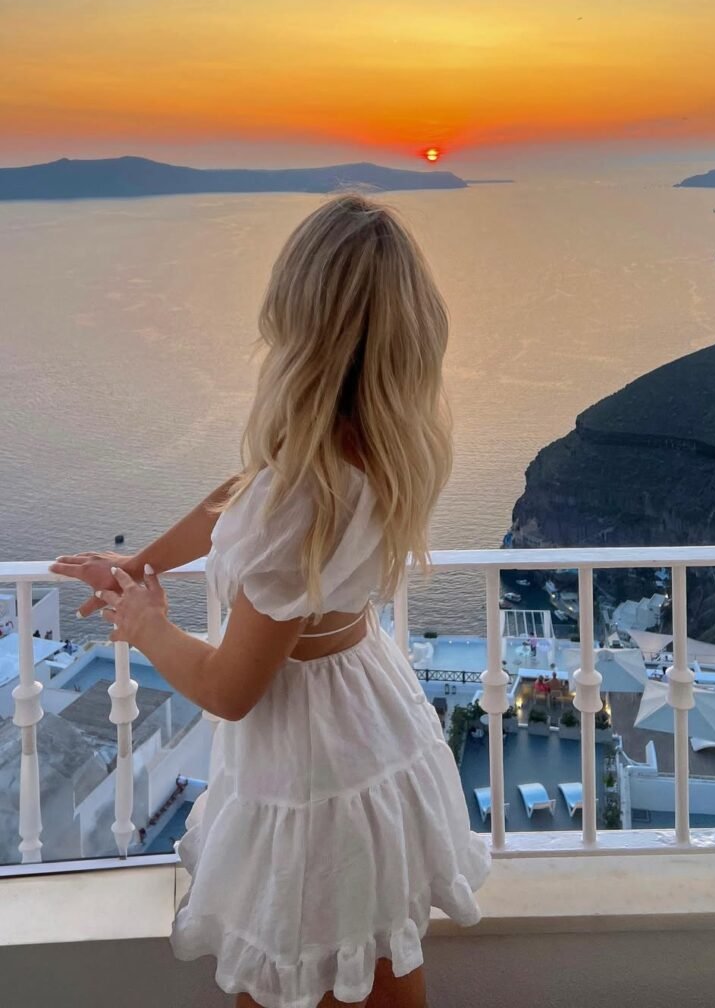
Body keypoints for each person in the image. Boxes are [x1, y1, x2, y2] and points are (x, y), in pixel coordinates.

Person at [49, 195, 490, 1008]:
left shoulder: (300, 501)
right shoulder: (382, 445)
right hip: (364, 716)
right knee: (373, 966)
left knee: (290, 970)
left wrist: (145, 622)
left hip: (310, 758)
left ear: (298, 321)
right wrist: (145, 560)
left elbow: (231, 689)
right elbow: (239, 492)